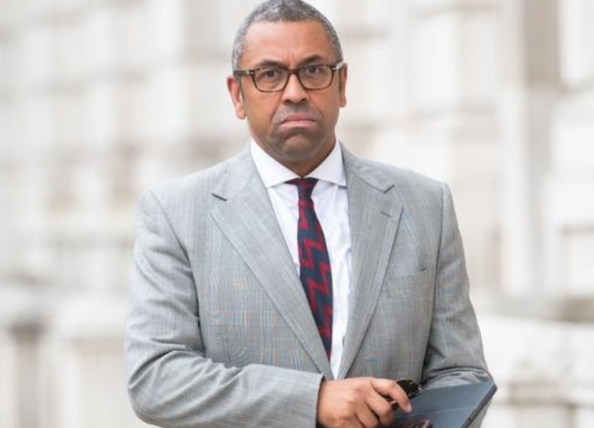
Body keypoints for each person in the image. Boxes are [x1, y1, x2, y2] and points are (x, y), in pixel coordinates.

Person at [124, 1, 491, 427]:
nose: (295, 92)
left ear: (342, 84)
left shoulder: (425, 206)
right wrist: (313, 400)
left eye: (314, 70)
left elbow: (462, 374)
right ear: (237, 95)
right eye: (270, 74)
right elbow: (157, 378)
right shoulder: (176, 214)